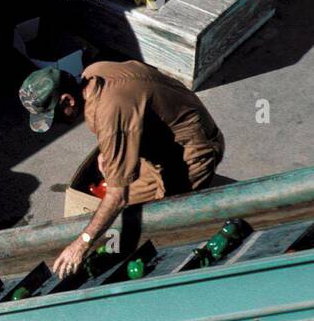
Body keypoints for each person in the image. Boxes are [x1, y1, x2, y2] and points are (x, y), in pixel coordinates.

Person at [19, 61, 225, 279]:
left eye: (56, 116)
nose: (58, 124)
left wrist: (82, 243)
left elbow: (117, 197)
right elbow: (131, 115)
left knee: (162, 223)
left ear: (67, 100)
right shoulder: (94, 72)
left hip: (191, 151)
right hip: (158, 146)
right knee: (129, 216)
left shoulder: (111, 111)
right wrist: (108, 152)